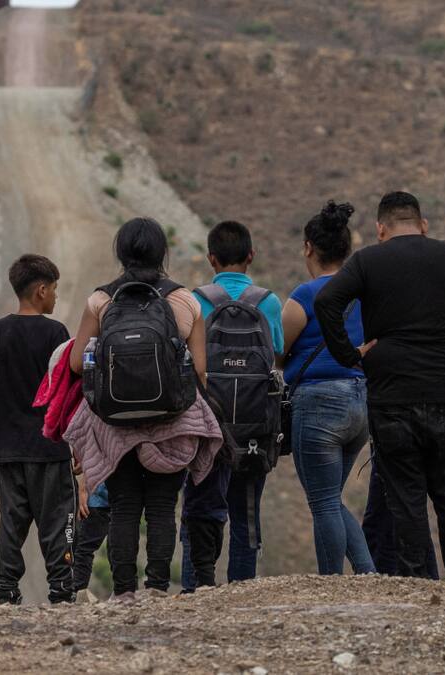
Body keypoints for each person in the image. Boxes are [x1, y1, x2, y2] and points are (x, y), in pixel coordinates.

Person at [314, 191, 445, 582]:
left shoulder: (368, 261)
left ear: (380, 228)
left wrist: (350, 355)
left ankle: (416, 581)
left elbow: (326, 301)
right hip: (444, 388)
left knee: (405, 495)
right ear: (423, 225)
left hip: (391, 393)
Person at [66, 217, 215, 602]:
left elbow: (77, 364)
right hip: (171, 421)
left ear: (121, 252)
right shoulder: (185, 301)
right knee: (163, 507)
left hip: (116, 424)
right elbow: (200, 370)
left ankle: (124, 591)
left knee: (123, 507)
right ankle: (158, 588)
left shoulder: (101, 300)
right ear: (162, 252)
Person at [181, 220, 286, 590]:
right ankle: (241, 594)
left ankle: (194, 590)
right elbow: (277, 354)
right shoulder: (268, 302)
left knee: (198, 511)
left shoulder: (195, 300)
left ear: (211, 258)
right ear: (251, 255)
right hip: (255, 429)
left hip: (206, 428)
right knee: (246, 516)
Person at [282, 201, 374, 576]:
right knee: (330, 499)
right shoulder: (365, 295)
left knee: (322, 502)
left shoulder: (304, 296)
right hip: (361, 402)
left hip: (318, 404)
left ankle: (331, 583)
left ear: (308, 248)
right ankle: (367, 573)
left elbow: (278, 350)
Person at [0, 254, 75, 604]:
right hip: (50, 448)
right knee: (58, 520)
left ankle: (5, 588)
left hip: (9, 448)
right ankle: (62, 587)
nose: (56, 297)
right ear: (41, 290)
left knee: (11, 521)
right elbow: (66, 393)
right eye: (55, 290)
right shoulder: (56, 333)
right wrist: (76, 444)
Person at [71, 482, 110, 596]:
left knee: (83, 549)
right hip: (124, 499)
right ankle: (126, 591)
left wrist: (83, 488)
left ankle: (76, 593)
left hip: (99, 498)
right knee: (121, 548)